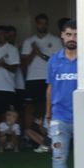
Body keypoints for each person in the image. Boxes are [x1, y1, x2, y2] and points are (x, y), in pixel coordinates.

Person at [45, 17, 77, 168]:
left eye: (76, 34)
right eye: (68, 34)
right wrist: (48, 113)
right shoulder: (54, 60)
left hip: (82, 117)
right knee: (58, 157)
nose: (72, 37)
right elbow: (50, 87)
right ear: (62, 36)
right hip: (60, 117)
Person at [21, 13, 62, 151]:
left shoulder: (55, 40)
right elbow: (25, 62)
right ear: (36, 24)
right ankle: (29, 137)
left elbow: (56, 61)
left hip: (48, 78)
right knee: (30, 107)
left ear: (47, 24)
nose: (42, 26)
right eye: (40, 23)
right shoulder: (29, 41)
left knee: (48, 107)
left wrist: (40, 53)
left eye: (44, 23)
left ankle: (48, 137)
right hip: (32, 78)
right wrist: (34, 51)